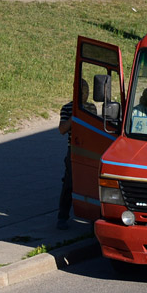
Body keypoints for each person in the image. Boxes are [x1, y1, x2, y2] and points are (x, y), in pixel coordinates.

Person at [57, 79, 94, 229]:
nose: (84, 94)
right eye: (82, 91)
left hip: (90, 150)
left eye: (86, 91)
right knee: (69, 183)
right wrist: (74, 117)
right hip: (74, 150)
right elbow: (61, 129)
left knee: (90, 184)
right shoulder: (67, 108)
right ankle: (62, 216)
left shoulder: (91, 108)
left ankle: (92, 216)